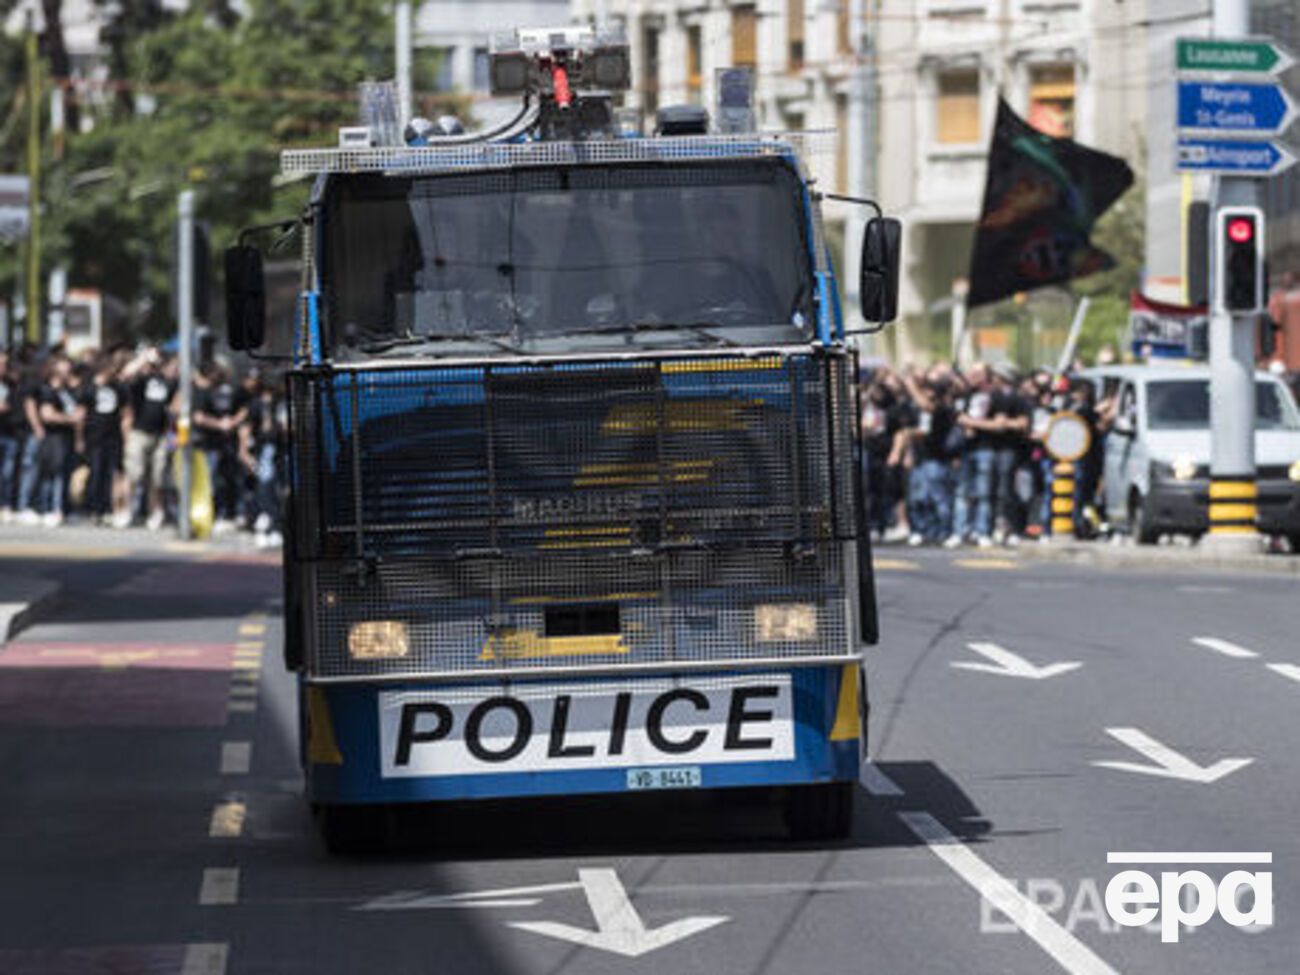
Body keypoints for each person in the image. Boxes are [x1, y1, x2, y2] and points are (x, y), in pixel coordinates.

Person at [122, 348, 177, 528]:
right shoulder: (141, 381)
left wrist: (173, 437)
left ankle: (156, 511)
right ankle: (127, 510)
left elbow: (175, 409)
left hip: (160, 434)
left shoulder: (169, 382)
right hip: (139, 432)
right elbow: (125, 375)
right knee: (134, 474)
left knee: (158, 477)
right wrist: (143, 358)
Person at [193, 363, 249, 532]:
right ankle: (215, 515)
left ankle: (231, 514)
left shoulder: (232, 391)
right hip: (208, 444)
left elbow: (245, 409)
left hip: (227, 444)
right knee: (212, 482)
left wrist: (233, 422)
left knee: (229, 480)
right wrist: (219, 425)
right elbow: (199, 418)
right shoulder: (202, 393)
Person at [81, 354, 131, 526]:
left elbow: (126, 413)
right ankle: (93, 509)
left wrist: (125, 437)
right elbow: (81, 415)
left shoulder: (119, 388)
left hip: (113, 437)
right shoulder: (89, 388)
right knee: (96, 473)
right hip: (94, 437)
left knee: (110, 475)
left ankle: (106, 510)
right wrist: (79, 438)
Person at [35, 357, 84, 526]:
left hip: (68, 438)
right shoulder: (48, 391)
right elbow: (47, 415)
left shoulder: (69, 392)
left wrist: (78, 437)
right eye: (64, 370)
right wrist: (69, 419)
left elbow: (80, 415)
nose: (67, 373)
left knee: (65, 474)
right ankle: (49, 508)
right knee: (53, 473)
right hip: (53, 438)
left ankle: (62, 508)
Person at [0, 352, 19, 519]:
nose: (3, 367)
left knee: (8, 472)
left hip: (9, 432)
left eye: (5, 363)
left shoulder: (11, 384)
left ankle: (5, 505)